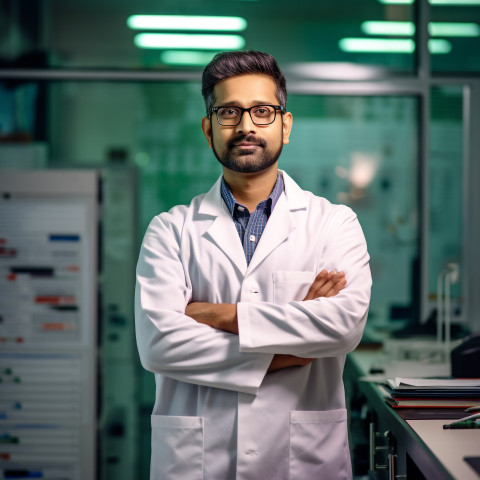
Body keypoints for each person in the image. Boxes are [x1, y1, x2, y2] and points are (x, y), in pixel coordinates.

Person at [135, 49, 372, 480]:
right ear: (209, 130)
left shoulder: (334, 223)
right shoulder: (170, 230)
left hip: (303, 459)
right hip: (199, 463)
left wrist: (217, 315)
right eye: (228, 112)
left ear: (285, 124)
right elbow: (159, 344)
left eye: (262, 111)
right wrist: (286, 353)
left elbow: (343, 326)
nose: (246, 126)